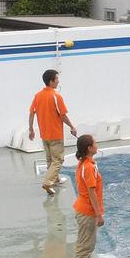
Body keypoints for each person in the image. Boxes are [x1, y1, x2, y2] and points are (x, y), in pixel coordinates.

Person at [28, 69, 78, 197]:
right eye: (56, 79)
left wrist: (31, 129)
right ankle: (48, 182)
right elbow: (62, 115)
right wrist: (72, 126)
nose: (58, 81)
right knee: (58, 160)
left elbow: (32, 113)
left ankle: (55, 180)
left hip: (44, 134)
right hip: (55, 134)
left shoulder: (38, 96)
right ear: (51, 81)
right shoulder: (56, 96)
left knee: (50, 159)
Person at [73, 134, 104, 258]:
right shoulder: (89, 167)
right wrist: (99, 214)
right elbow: (92, 192)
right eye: (95, 143)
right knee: (85, 246)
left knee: (85, 244)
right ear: (89, 148)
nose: (97, 145)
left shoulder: (84, 164)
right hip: (87, 212)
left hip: (83, 209)